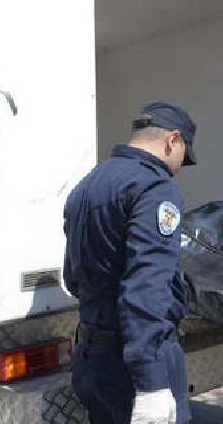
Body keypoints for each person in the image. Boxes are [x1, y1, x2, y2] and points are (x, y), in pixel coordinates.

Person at [63, 101, 197, 424]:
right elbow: (146, 286)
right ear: (172, 140)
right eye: (184, 156)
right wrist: (151, 382)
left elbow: (72, 278)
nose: (179, 167)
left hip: (91, 358)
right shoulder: (154, 187)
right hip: (133, 367)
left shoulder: (86, 186)